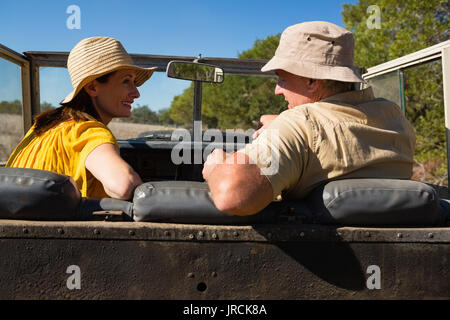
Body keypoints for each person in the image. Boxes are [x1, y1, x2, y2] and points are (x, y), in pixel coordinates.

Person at [202, 21, 416, 215]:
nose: (277, 90)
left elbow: (232, 196)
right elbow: (341, 128)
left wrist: (217, 166)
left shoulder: (298, 124)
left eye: (282, 79)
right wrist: (284, 125)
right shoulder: (394, 117)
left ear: (312, 81)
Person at [6, 36, 157, 200]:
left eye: (134, 82)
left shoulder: (41, 129)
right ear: (92, 87)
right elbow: (123, 186)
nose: (136, 93)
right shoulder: (87, 132)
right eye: (126, 81)